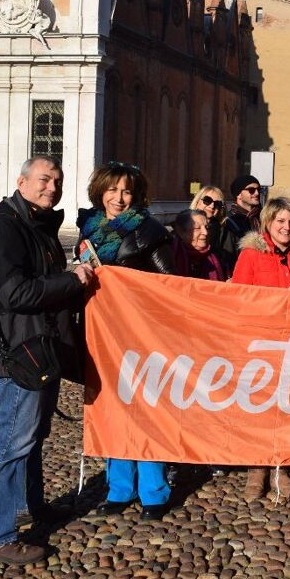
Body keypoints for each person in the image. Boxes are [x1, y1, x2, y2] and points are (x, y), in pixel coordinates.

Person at [0, 156, 94, 565]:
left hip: (43, 349)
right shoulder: (4, 228)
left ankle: (32, 505)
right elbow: (14, 293)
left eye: (58, 181)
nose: (52, 188)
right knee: (10, 443)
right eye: (44, 180)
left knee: (33, 438)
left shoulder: (37, 225)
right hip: (20, 352)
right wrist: (71, 280)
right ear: (22, 182)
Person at [77, 162, 175, 521]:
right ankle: (119, 488)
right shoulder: (89, 229)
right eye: (113, 190)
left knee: (146, 410)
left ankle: (154, 490)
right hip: (105, 335)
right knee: (114, 409)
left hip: (142, 334)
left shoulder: (149, 231)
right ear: (100, 191)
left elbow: (171, 285)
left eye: (127, 191)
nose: (119, 198)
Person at [231, 197, 290, 500]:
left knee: (288, 409)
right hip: (261, 343)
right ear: (269, 223)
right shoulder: (251, 255)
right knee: (259, 409)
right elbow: (241, 298)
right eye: (280, 221)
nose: (286, 227)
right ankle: (257, 468)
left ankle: (282, 467)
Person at [171, 209, 228, 282]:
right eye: (197, 228)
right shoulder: (170, 256)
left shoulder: (220, 256)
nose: (205, 232)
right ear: (181, 232)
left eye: (207, 227)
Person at [221, 175, 262, 259]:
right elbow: (228, 253)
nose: (257, 193)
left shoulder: (263, 217)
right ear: (238, 194)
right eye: (251, 190)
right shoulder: (229, 220)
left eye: (259, 189)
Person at [190, 185, 229, 266]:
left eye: (217, 203)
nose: (212, 206)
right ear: (197, 201)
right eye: (207, 200)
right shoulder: (182, 224)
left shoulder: (224, 231)